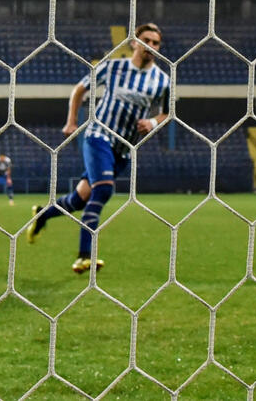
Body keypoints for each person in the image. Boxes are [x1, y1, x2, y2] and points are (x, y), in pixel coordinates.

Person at [27, 23, 170, 274]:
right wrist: (72, 121)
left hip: (124, 148)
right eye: (146, 40)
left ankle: (42, 215)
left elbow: (168, 113)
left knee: (79, 199)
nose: (151, 46)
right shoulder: (113, 67)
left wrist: (152, 122)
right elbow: (80, 88)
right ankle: (85, 256)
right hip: (98, 135)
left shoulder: (162, 80)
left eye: (156, 43)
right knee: (103, 190)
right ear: (134, 43)